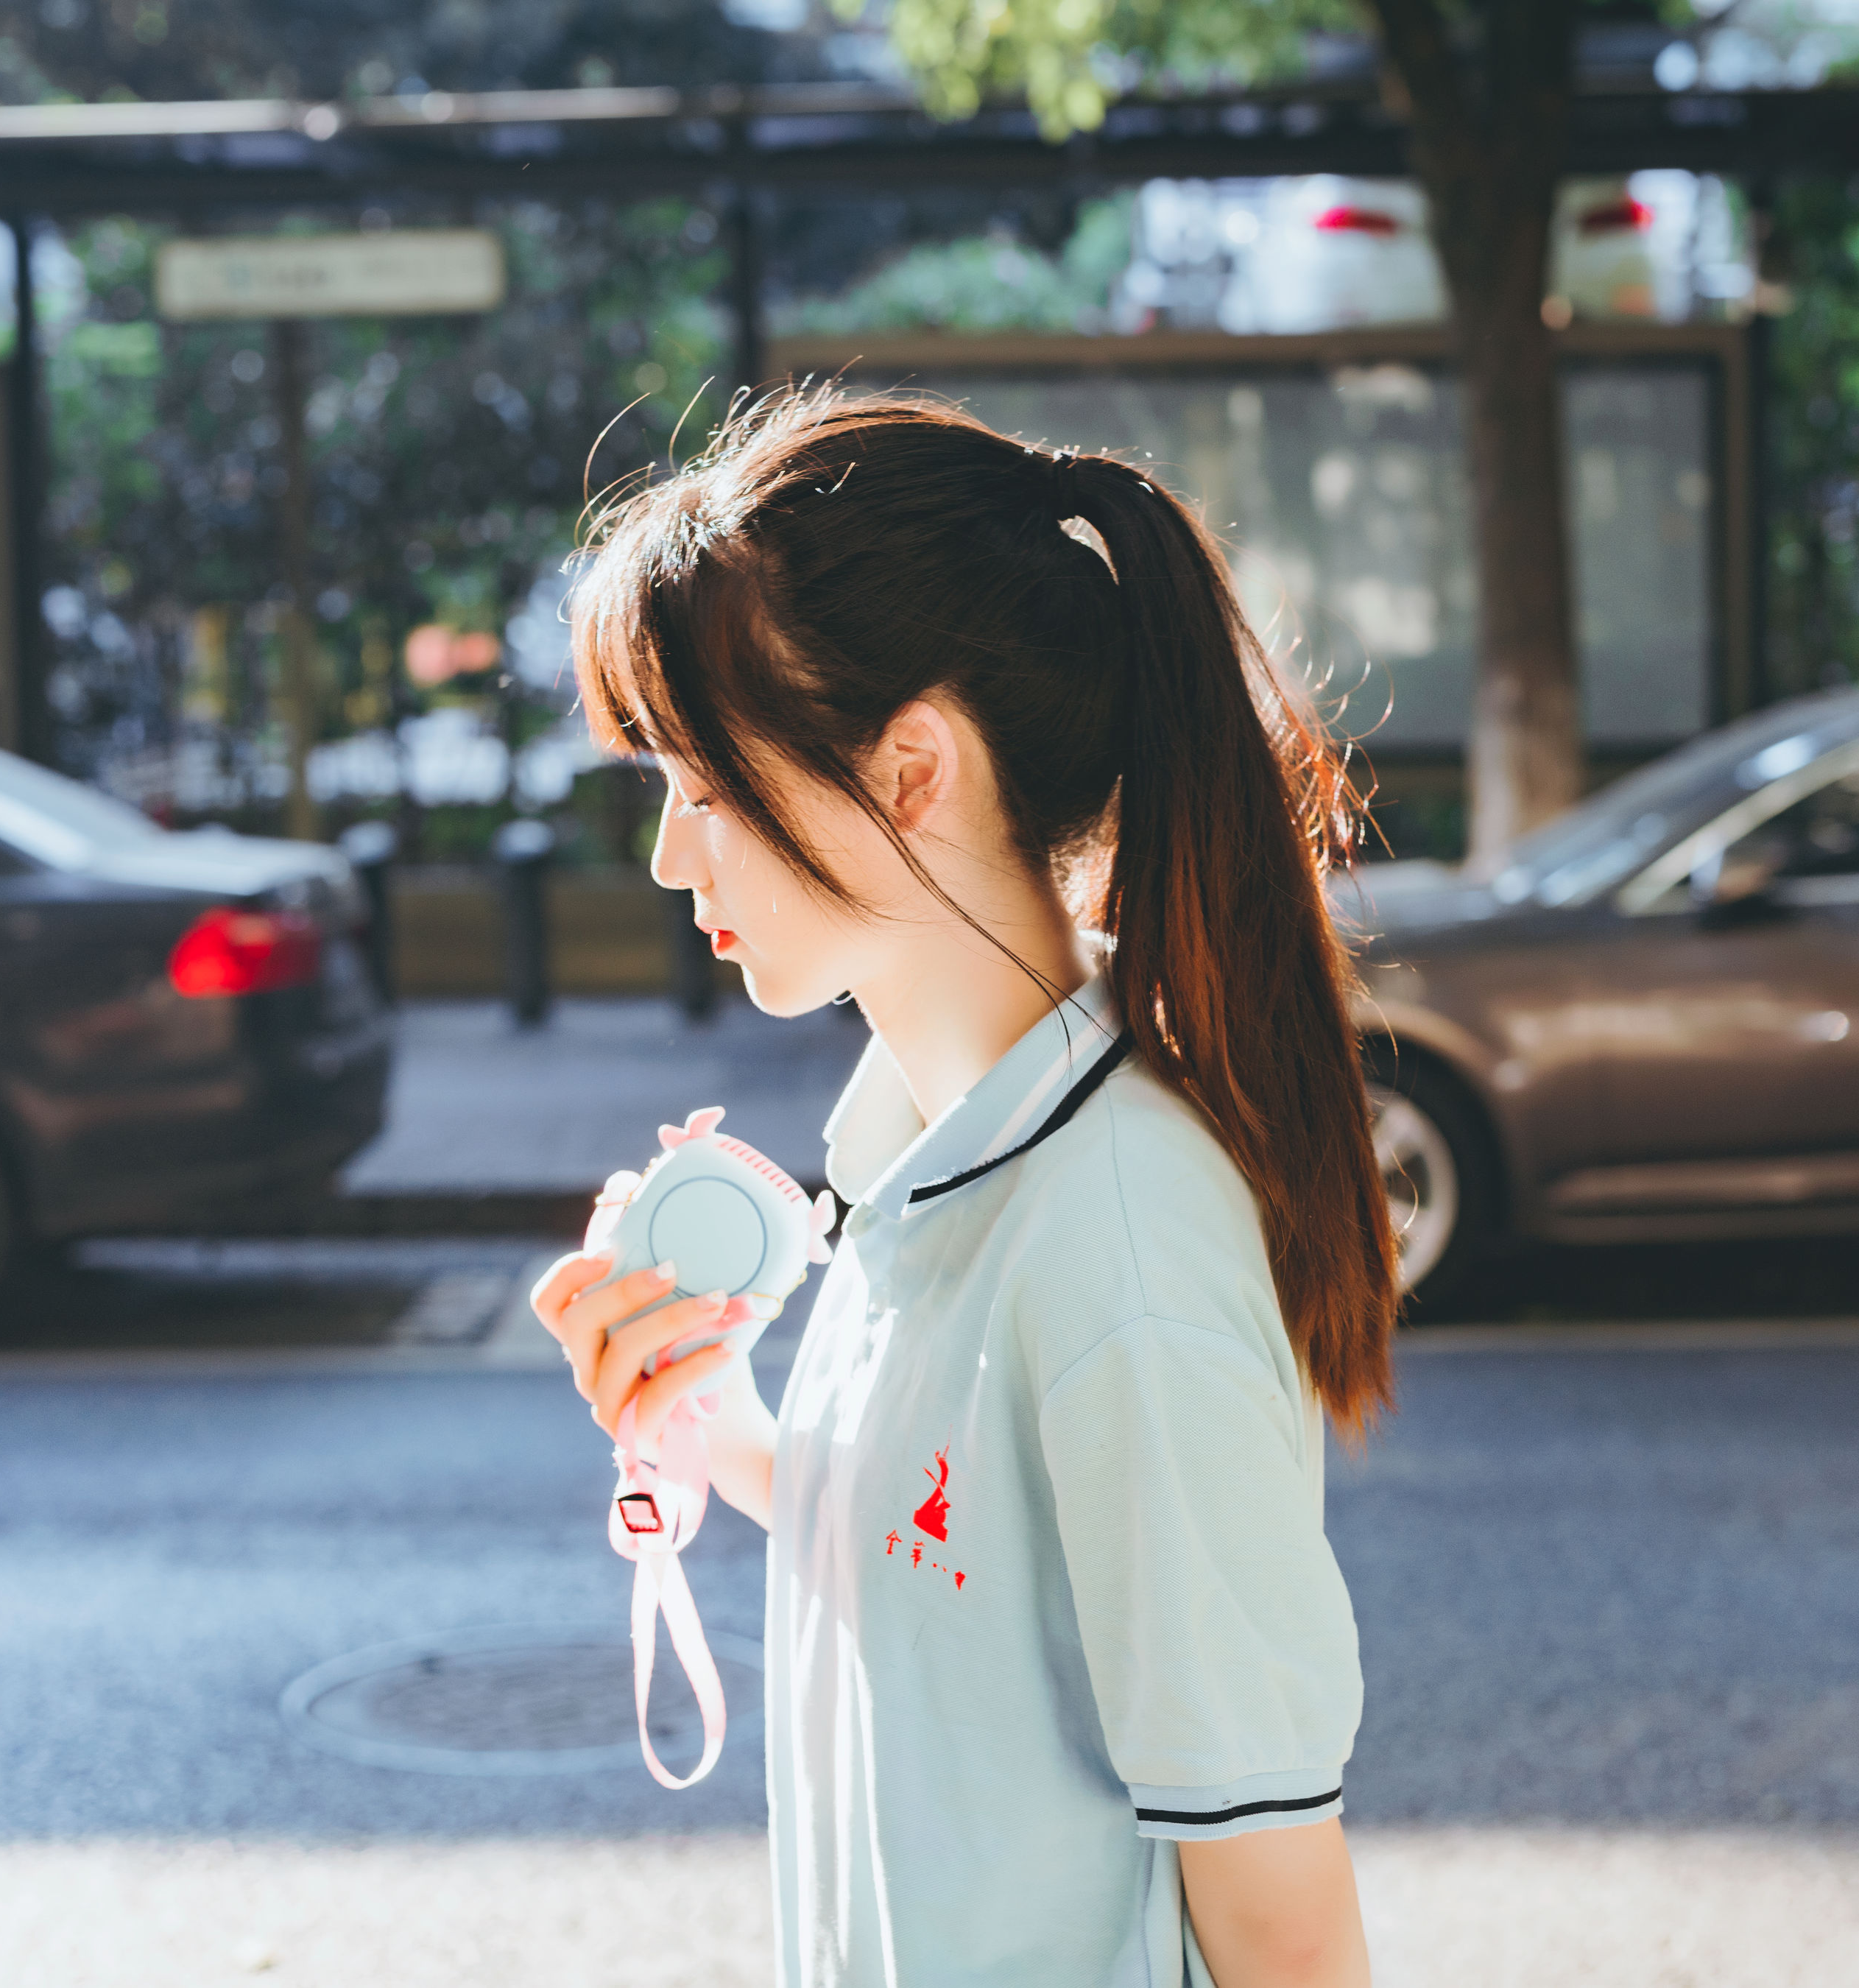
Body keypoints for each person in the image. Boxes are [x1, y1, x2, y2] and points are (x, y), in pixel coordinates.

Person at [528, 388, 1397, 1988]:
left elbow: (1278, 1913)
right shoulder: (922, 1158)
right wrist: (716, 1427)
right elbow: (973, 1599)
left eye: (703, 787)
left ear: (912, 768)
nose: (667, 857)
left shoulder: (1119, 1240)